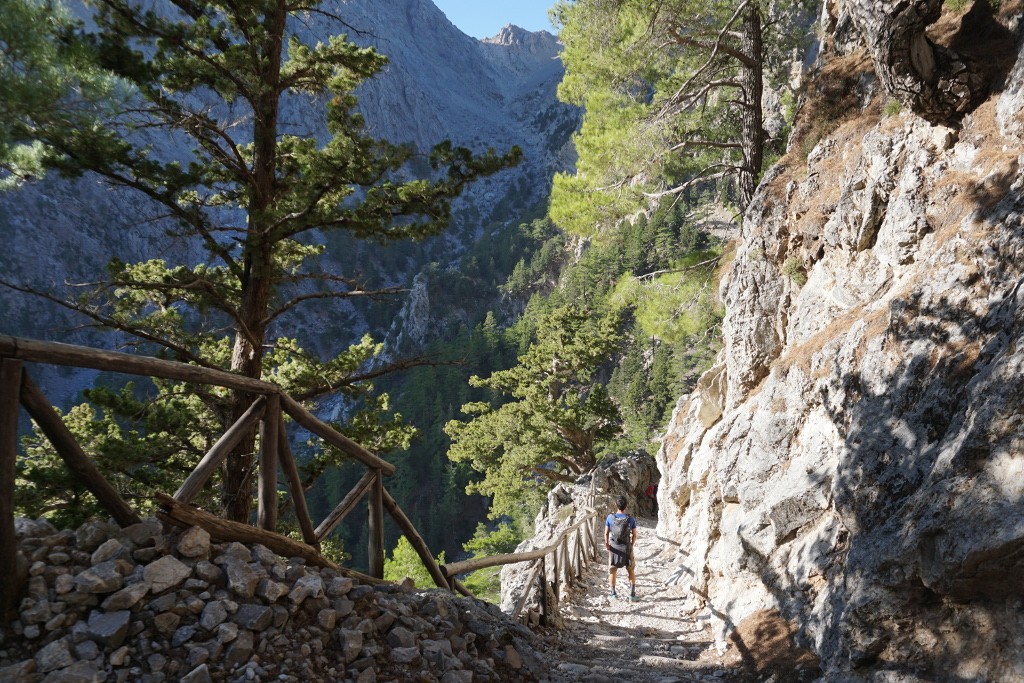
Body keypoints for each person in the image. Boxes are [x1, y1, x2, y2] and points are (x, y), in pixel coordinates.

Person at [605, 495, 637, 600]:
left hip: (614, 547)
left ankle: (613, 594)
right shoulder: (631, 519)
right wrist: (631, 545)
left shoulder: (610, 517)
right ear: (626, 506)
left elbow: (606, 533)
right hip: (626, 547)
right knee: (631, 570)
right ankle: (632, 595)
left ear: (616, 505)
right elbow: (634, 535)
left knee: (612, 570)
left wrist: (607, 544)